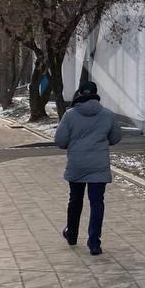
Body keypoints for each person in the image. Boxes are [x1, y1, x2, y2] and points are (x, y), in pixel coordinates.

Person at [53, 82, 122, 255]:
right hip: (99, 165)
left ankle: (72, 234)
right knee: (97, 203)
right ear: (96, 94)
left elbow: (60, 141)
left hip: (77, 165)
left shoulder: (70, 115)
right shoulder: (107, 115)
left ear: (79, 94)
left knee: (75, 200)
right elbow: (115, 138)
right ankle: (94, 243)